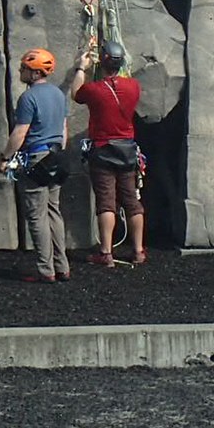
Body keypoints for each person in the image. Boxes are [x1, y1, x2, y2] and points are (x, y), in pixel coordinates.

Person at [68, 38, 146, 267]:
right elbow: (123, 81)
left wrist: (82, 67)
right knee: (132, 201)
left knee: (106, 202)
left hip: (103, 150)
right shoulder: (134, 86)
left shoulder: (94, 90)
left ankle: (106, 253)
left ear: (101, 61)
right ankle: (139, 250)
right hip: (127, 150)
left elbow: (75, 93)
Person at [0, 47, 70, 282]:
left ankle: (45, 270)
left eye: (25, 68)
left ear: (35, 73)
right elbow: (63, 130)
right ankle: (62, 266)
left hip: (35, 159)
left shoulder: (28, 98)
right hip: (56, 156)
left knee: (37, 216)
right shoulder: (59, 94)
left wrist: (5, 158)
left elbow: (20, 133)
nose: (20, 71)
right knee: (53, 211)